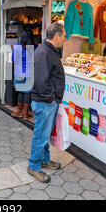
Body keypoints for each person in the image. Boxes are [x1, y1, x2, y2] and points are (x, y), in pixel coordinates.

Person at [28, 21, 66, 183]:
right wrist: (51, 99)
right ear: (56, 36)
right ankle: (34, 165)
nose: (65, 39)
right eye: (63, 36)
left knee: (45, 135)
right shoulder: (44, 53)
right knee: (40, 135)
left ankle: (44, 159)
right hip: (45, 102)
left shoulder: (51, 50)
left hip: (48, 101)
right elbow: (40, 81)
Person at [11, 29, 35, 120]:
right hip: (29, 74)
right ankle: (25, 114)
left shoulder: (16, 47)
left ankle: (19, 112)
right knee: (27, 93)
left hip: (19, 73)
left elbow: (13, 60)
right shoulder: (33, 48)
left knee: (20, 92)